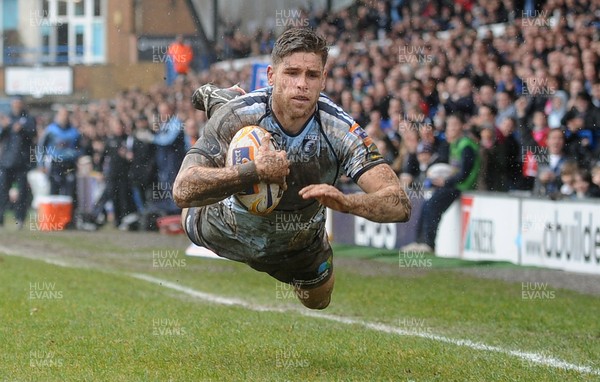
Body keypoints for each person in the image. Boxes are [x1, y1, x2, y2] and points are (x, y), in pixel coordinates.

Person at [173, 28, 411, 310]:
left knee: (318, 301)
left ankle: (223, 100)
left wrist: (347, 203)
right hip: (222, 229)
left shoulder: (341, 130)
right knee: (193, 201)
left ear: (323, 80)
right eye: (292, 73)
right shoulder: (239, 116)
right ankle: (221, 101)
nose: (302, 84)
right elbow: (182, 190)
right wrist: (254, 171)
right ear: (272, 76)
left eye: (312, 75)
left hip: (296, 245)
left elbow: (400, 204)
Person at [402, 113, 480, 253]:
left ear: (461, 127)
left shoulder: (466, 146)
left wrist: (445, 181)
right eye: (449, 125)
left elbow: (464, 173)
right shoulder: (454, 145)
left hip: (460, 187)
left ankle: (428, 244)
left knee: (432, 206)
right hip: (453, 185)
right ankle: (418, 242)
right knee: (426, 205)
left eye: (454, 125)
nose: (450, 129)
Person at [0, 97, 37, 229]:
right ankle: (1, 218)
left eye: (18, 104)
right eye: (14, 104)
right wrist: (5, 128)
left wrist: (21, 129)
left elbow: (34, 133)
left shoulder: (28, 119)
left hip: (22, 163)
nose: (16, 106)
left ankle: (20, 219)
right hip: (7, 162)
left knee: (22, 193)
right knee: (2, 191)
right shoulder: (6, 118)